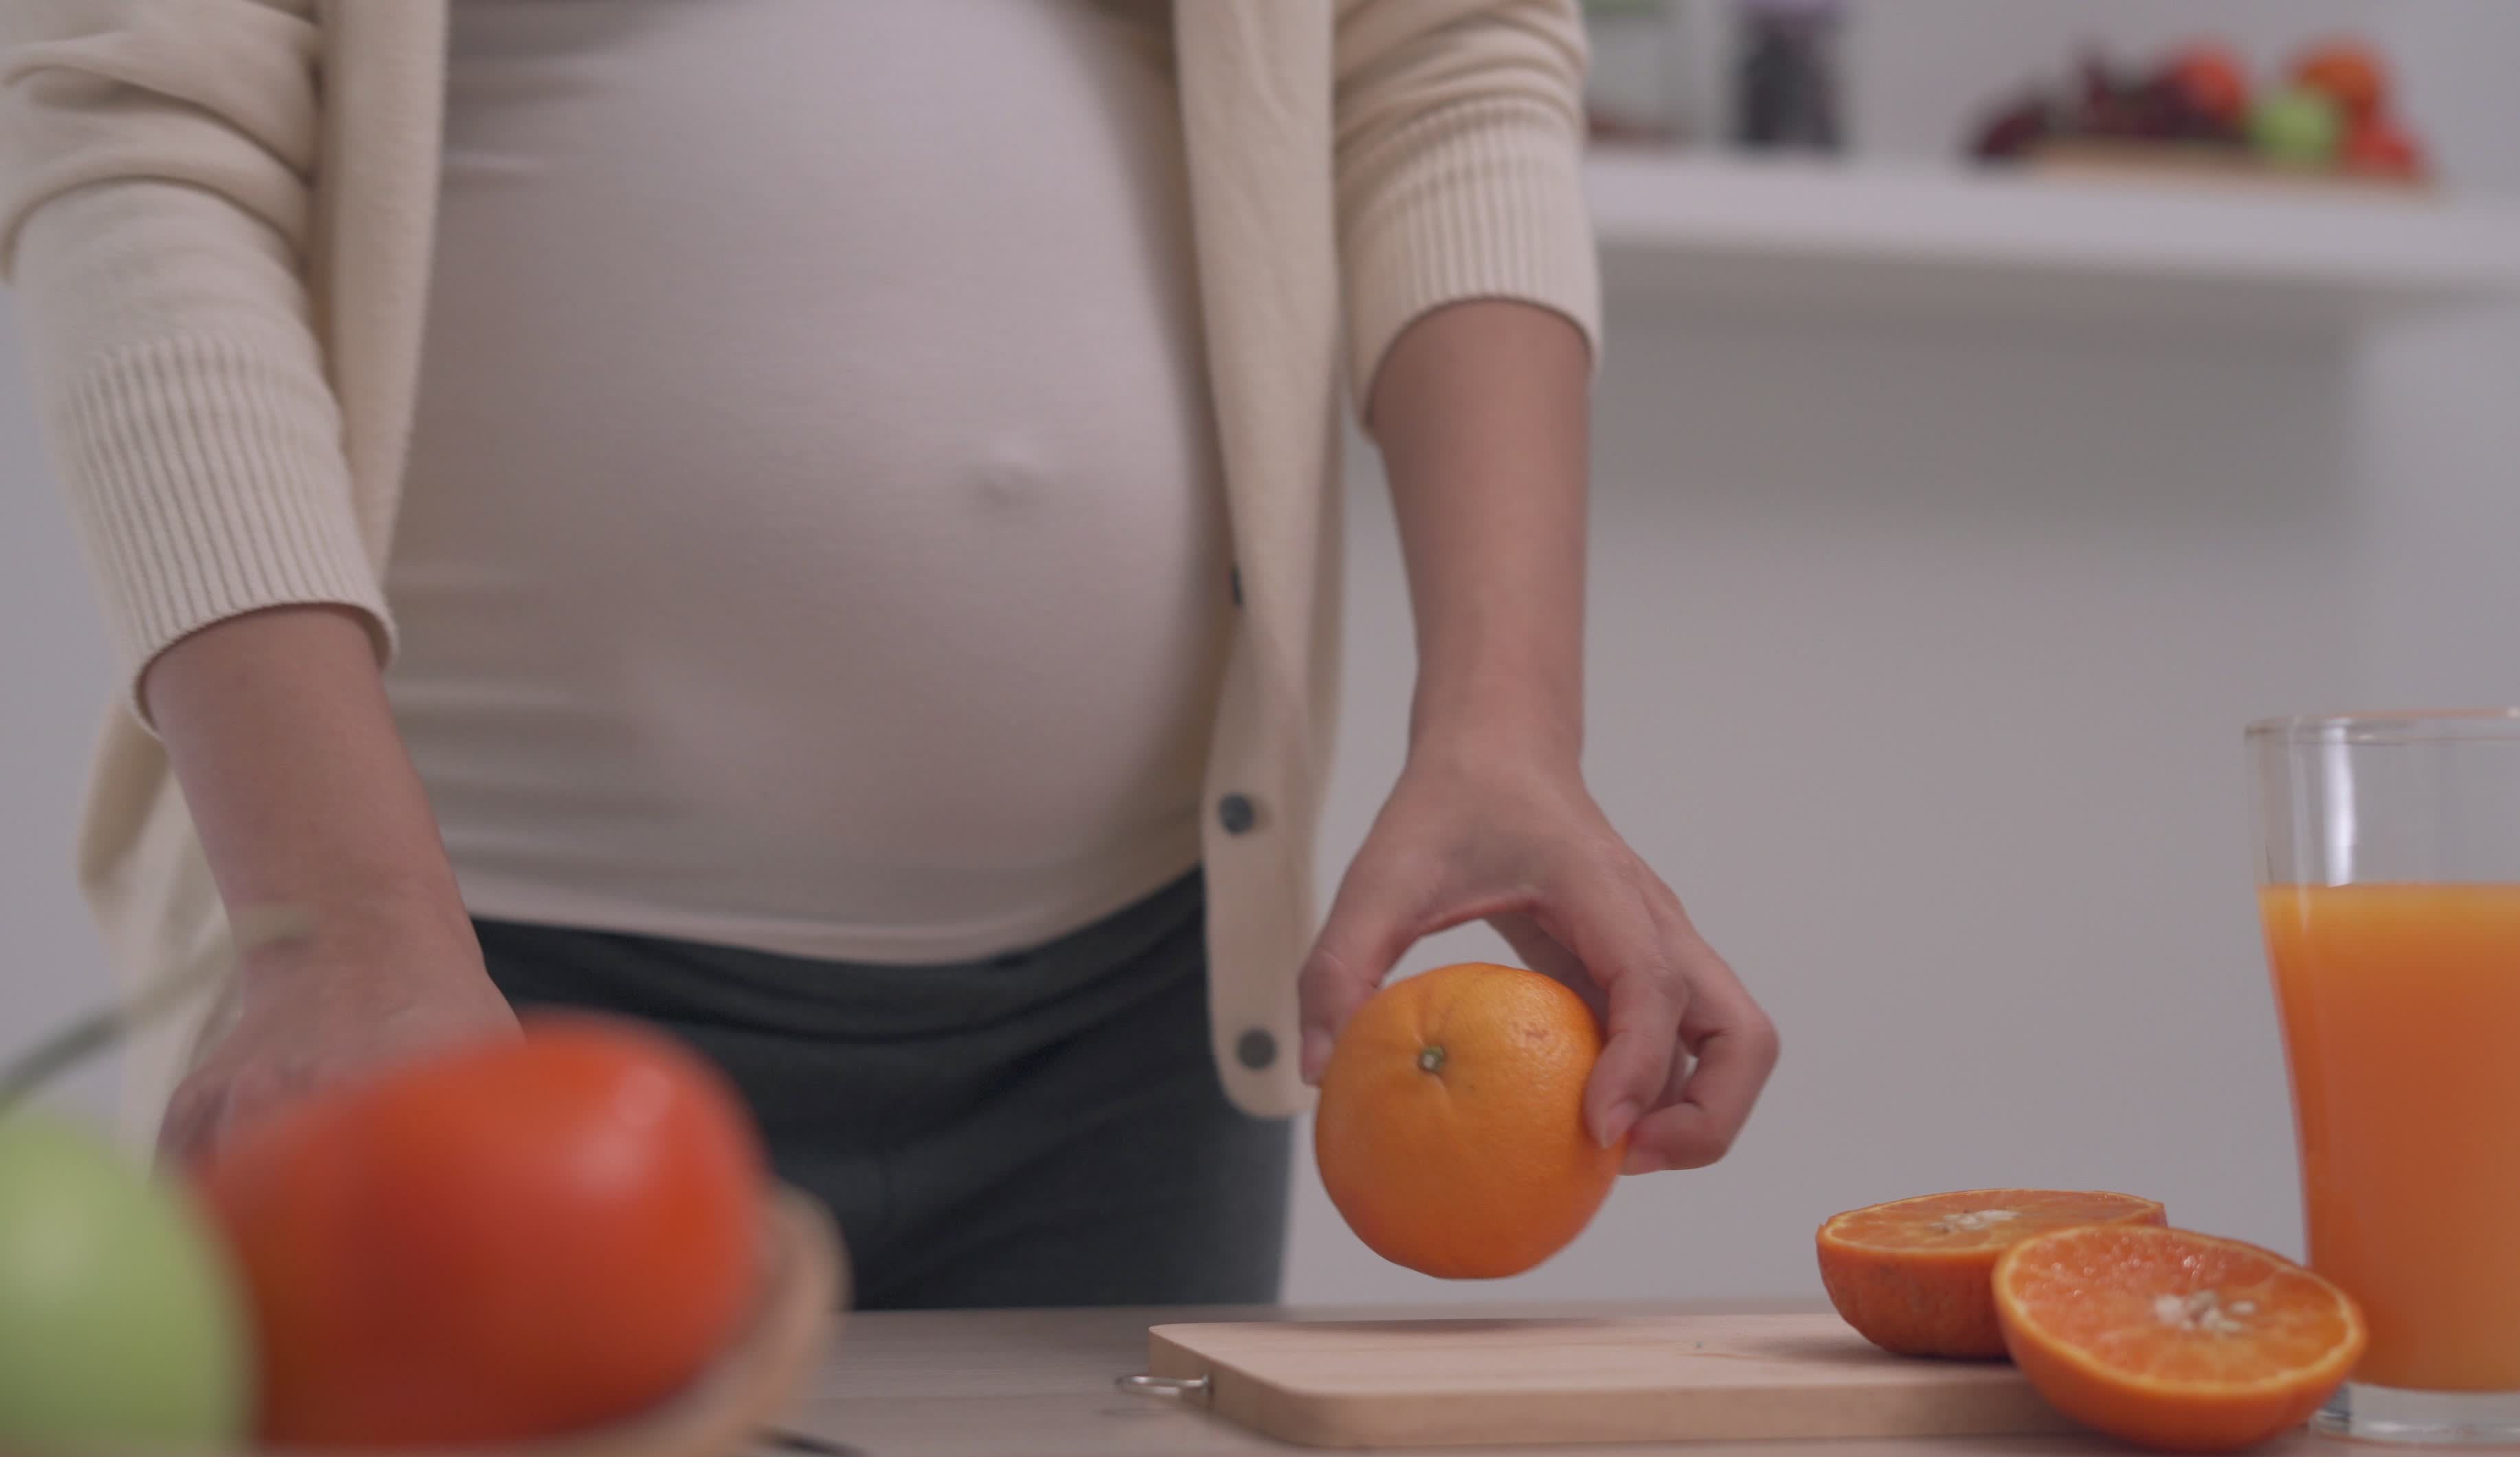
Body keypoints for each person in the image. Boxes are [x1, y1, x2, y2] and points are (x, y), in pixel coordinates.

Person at [0, 0, 1777, 1307]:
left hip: (1138, 1034)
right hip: (459, 1026)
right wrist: (351, 922)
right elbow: (138, 139)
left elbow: (1441, 63)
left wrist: (1507, 732)